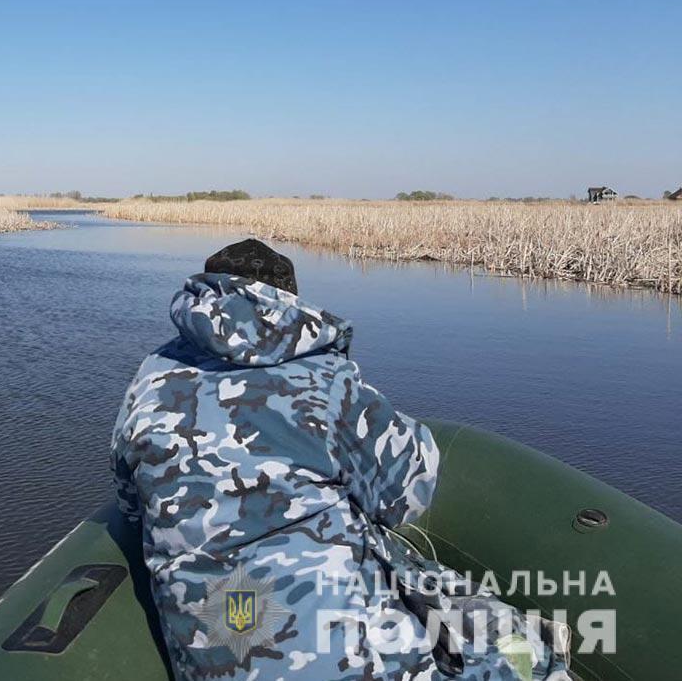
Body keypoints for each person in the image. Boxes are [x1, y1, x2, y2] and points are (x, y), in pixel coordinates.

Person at [110, 239, 570, 680]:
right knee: (530, 662)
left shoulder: (149, 377)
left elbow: (133, 505)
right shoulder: (322, 377)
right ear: (286, 300)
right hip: (344, 658)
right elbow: (408, 493)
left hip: (210, 653)